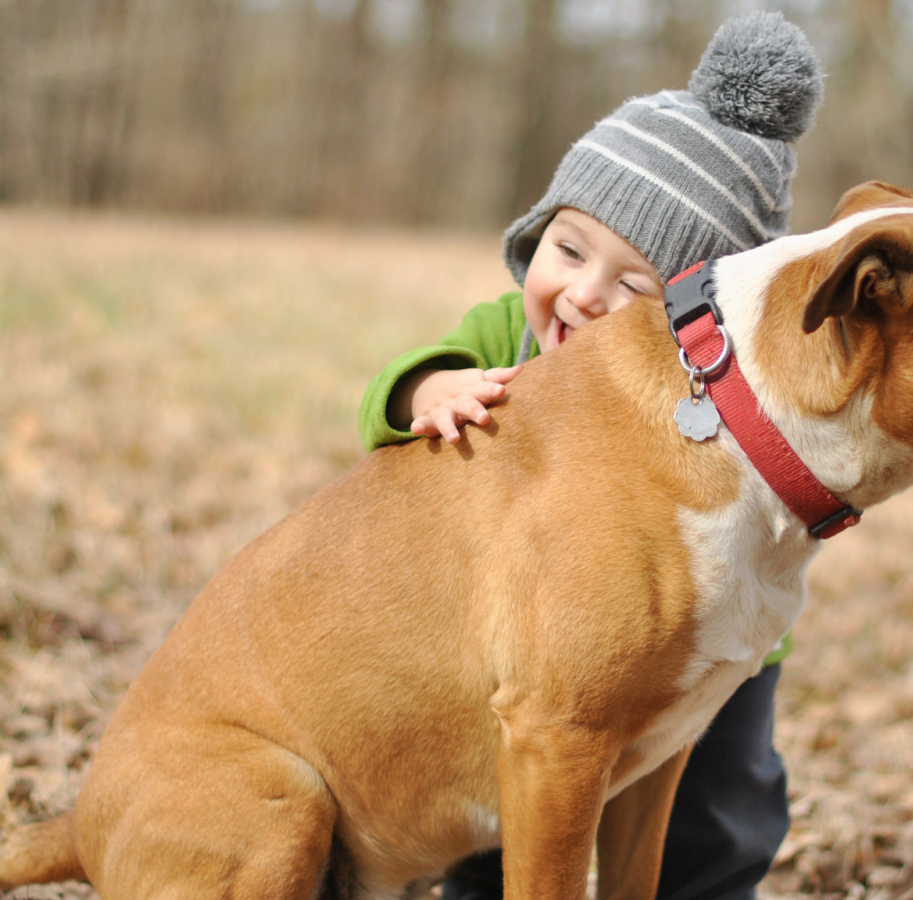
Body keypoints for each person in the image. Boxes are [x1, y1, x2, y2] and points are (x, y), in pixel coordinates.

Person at [357, 13, 823, 900]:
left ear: (697, 325)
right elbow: (386, 399)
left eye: (636, 287)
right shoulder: (505, 336)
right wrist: (433, 393)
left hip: (706, 639)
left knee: (721, 805)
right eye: (570, 249)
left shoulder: (706, 399)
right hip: (519, 639)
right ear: (539, 234)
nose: (585, 293)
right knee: (519, 781)